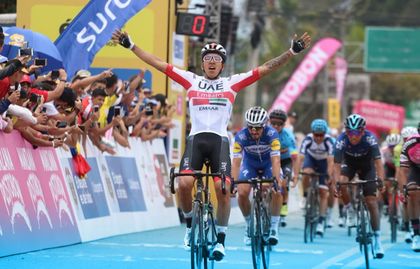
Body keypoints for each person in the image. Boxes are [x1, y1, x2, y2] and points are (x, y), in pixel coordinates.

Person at [112, 29, 311, 260]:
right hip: (196, 140)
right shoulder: (191, 80)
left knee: (222, 189)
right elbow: (159, 63)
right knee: (184, 184)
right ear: (203, 64)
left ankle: (221, 241)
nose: (212, 63)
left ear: (222, 64)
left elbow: (266, 68)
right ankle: (189, 227)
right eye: (207, 59)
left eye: (216, 60)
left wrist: (291, 52)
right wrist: (131, 45)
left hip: (219, 142)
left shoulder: (232, 83)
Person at [334, 114, 385, 258]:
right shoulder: (341, 140)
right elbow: (336, 166)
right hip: (349, 164)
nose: (353, 136)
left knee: (371, 201)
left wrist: (380, 179)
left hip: (367, 166)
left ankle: (377, 239)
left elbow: (378, 162)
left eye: (356, 132)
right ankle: (349, 209)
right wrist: (336, 182)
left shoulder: (370, 138)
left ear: (363, 131)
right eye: (349, 132)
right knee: (342, 181)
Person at [233, 106, 282, 246]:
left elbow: (276, 160)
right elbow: (236, 162)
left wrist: (276, 179)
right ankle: (249, 225)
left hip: (268, 164)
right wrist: (234, 182)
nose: (254, 131)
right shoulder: (241, 136)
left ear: (264, 125)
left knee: (278, 190)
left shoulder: (272, 134)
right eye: (251, 127)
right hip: (250, 165)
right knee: (242, 193)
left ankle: (273, 227)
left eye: (258, 128)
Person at [294, 119, 334, 236]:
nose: (318, 138)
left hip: (323, 163)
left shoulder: (329, 141)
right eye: (316, 135)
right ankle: (306, 196)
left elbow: (331, 162)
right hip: (310, 160)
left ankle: (321, 221)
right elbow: (300, 158)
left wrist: (329, 175)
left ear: (325, 134)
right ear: (312, 133)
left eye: (321, 135)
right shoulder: (308, 139)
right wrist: (296, 175)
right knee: (306, 173)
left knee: (323, 192)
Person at [268, 109, 298, 227]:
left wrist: (295, 175)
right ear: (269, 122)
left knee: (284, 184)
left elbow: (295, 157)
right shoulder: (265, 132)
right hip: (269, 160)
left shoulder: (288, 135)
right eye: (273, 123)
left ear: (284, 125)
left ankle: (284, 206)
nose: (276, 126)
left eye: (279, 124)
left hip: (285, 161)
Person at [399, 124, 420, 252]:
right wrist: (403, 189)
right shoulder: (410, 143)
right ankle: (417, 234)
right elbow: (403, 171)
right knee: (412, 193)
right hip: (414, 169)